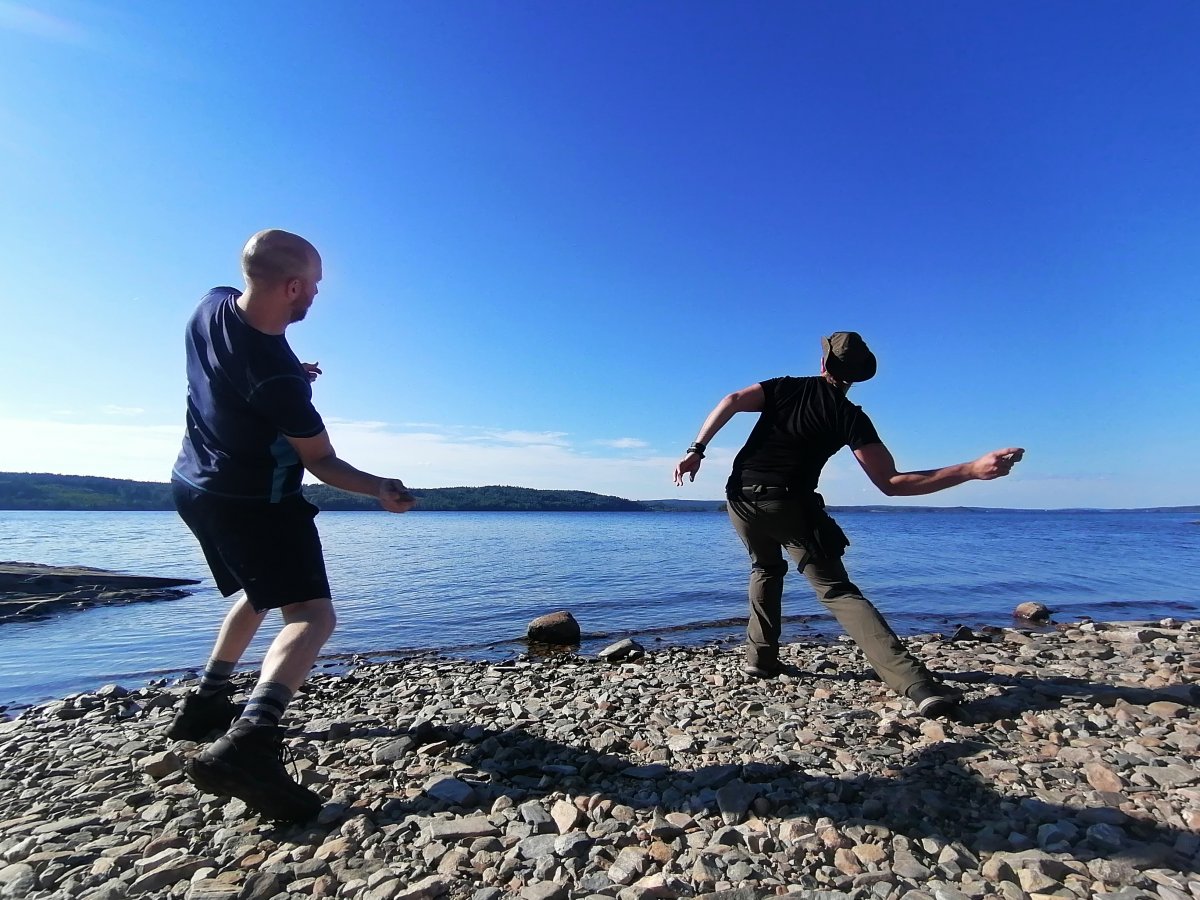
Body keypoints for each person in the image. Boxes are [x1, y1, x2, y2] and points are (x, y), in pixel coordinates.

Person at [167, 229, 415, 822]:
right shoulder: (278, 380)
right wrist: (381, 487)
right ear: (294, 287)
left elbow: (237, 369)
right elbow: (322, 461)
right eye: (316, 285)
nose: (318, 295)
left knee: (262, 591)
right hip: (256, 500)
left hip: (194, 485)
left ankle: (207, 702)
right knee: (311, 615)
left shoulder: (210, 305)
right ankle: (251, 743)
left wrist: (288, 375)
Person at [673, 332, 1023, 719]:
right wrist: (970, 470)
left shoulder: (784, 387)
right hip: (788, 502)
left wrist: (696, 450)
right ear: (858, 376)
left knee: (765, 567)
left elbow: (732, 400)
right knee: (837, 591)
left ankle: (760, 659)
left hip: (739, 498)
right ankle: (916, 685)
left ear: (823, 362)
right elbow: (892, 483)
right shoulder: (849, 416)